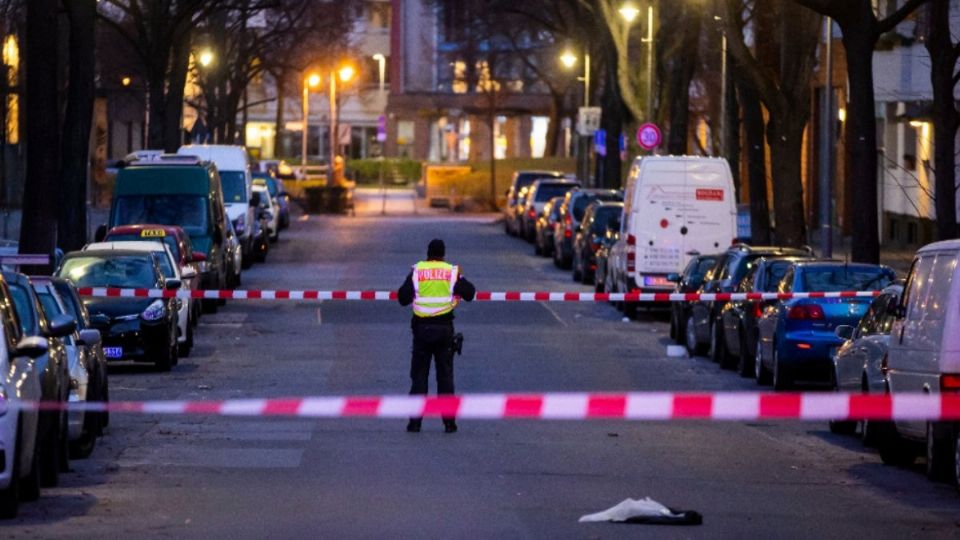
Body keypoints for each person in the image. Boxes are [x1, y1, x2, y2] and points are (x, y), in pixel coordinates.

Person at [397, 238, 475, 433]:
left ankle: (415, 422)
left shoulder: (417, 271)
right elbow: (470, 293)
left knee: (419, 377)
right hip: (444, 331)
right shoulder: (451, 272)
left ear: (428, 253)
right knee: (445, 378)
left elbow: (402, 298)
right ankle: (449, 422)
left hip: (422, 331)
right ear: (443, 254)